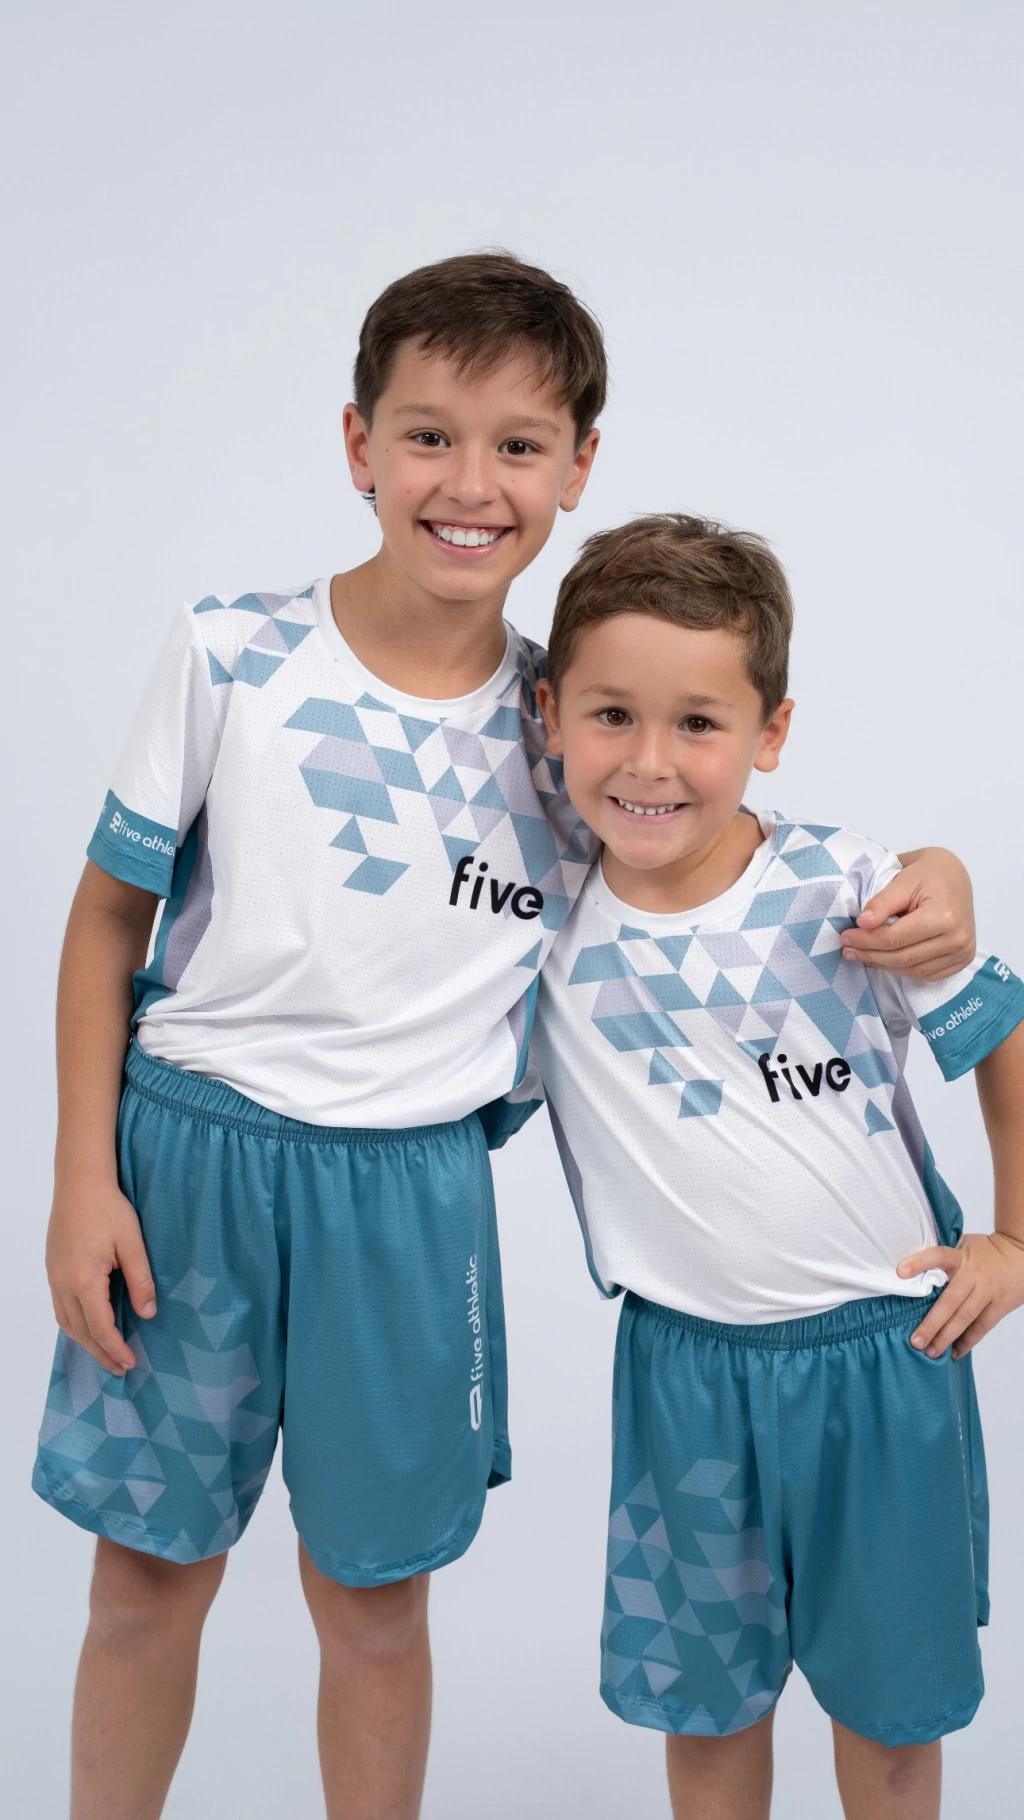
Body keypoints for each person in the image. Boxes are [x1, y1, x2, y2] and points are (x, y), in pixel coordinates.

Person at [34, 254, 977, 1820]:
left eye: (518, 446)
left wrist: (939, 875)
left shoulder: (573, 724)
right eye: (429, 435)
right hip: (187, 1169)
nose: (470, 485)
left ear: (577, 467)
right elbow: (102, 922)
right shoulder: (231, 654)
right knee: (142, 1582)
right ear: (359, 443)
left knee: (374, 1602)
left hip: (410, 1208)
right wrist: (83, 1176)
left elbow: (741, 856)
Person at [507, 512, 1024, 1820]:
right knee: (709, 1716)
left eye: (699, 722)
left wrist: (1016, 1239)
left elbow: (1003, 1033)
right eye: (612, 715)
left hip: (883, 1365)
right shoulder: (537, 920)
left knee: (892, 1726)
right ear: (552, 717)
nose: (650, 762)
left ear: (770, 732)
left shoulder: (852, 889)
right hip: (683, 1377)